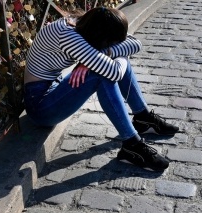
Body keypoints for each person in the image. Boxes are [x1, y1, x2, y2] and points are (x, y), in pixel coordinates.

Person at [23, 7, 179, 171]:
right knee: (103, 74)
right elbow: (115, 72)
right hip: (40, 106)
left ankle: (143, 118)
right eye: (108, 42)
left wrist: (106, 52)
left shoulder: (85, 23)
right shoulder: (69, 37)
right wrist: (116, 55)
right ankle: (132, 145)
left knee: (110, 62)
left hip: (54, 87)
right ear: (99, 36)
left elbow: (135, 43)